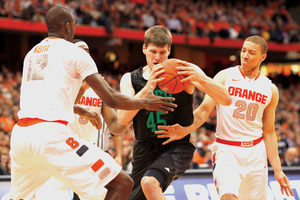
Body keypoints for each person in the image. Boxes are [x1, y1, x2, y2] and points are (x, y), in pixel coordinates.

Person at [8, 6, 177, 200]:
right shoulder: (74, 53)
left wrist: (82, 110)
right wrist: (146, 102)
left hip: (22, 134)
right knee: (123, 183)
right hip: (52, 136)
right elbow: (112, 98)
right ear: (68, 26)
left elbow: (51, 100)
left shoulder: (31, 54)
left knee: (19, 196)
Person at [155, 35, 294, 199]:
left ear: (263, 57)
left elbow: (269, 132)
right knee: (228, 196)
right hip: (226, 150)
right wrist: (185, 130)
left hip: (256, 153)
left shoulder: (270, 89)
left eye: (251, 52)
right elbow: (203, 111)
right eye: (243, 50)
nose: (245, 55)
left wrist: (278, 170)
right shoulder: (224, 76)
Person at [117, 25, 232, 200]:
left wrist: (199, 78)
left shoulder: (183, 70)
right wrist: (148, 88)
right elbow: (122, 118)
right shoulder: (131, 79)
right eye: (153, 51)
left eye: (162, 52)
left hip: (176, 146)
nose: (157, 57)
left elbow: (226, 99)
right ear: (144, 49)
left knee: (149, 182)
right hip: (144, 149)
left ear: (169, 50)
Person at [34, 39, 127, 200]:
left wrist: (128, 118)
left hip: (87, 153)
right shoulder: (60, 82)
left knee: (109, 191)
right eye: (80, 52)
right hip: (60, 150)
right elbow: (59, 108)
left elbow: (113, 125)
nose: (85, 56)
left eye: (88, 52)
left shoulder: (100, 86)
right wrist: (83, 89)